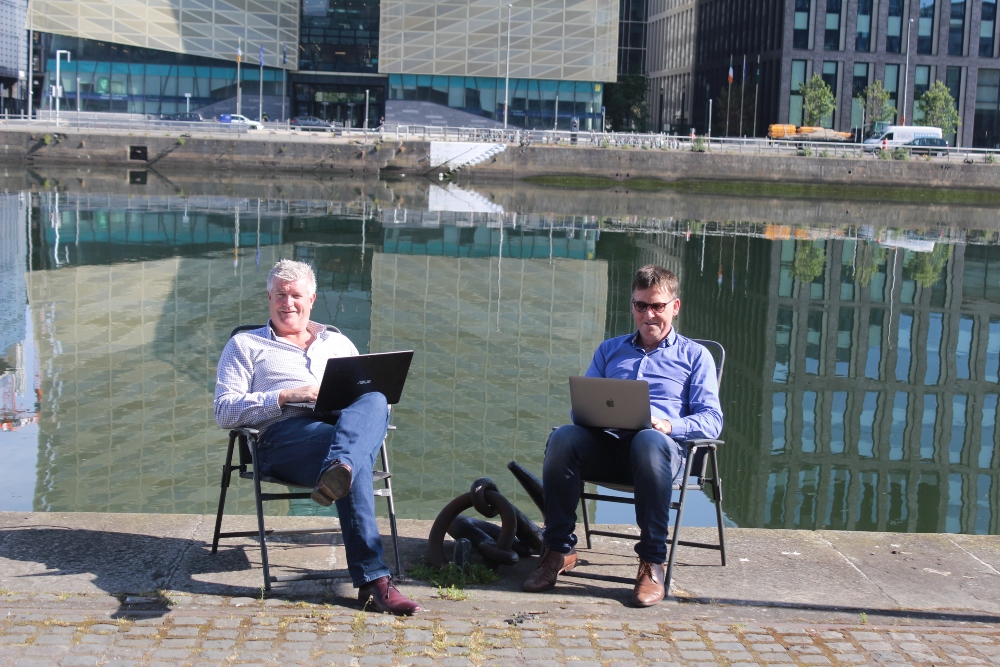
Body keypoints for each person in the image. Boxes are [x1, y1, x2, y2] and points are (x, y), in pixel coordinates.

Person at [214, 259, 420, 615]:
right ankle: (374, 582)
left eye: (296, 295)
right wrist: (285, 395)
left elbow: (373, 409)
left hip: (339, 428)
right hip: (283, 437)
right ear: (269, 297)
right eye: (280, 294)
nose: (288, 303)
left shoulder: (338, 343)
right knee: (349, 457)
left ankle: (341, 467)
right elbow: (224, 411)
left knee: (375, 397)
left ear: (312, 298)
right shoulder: (245, 345)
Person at [522, 264, 723, 607]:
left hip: (661, 455)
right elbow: (580, 410)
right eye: (640, 305)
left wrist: (669, 425)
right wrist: (594, 415)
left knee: (649, 439)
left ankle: (652, 562)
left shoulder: (694, 357)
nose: (648, 315)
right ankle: (556, 551)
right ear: (632, 306)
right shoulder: (609, 350)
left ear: (675, 306)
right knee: (564, 436)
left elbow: (712, 421)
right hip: (609, 448)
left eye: (657, 306)